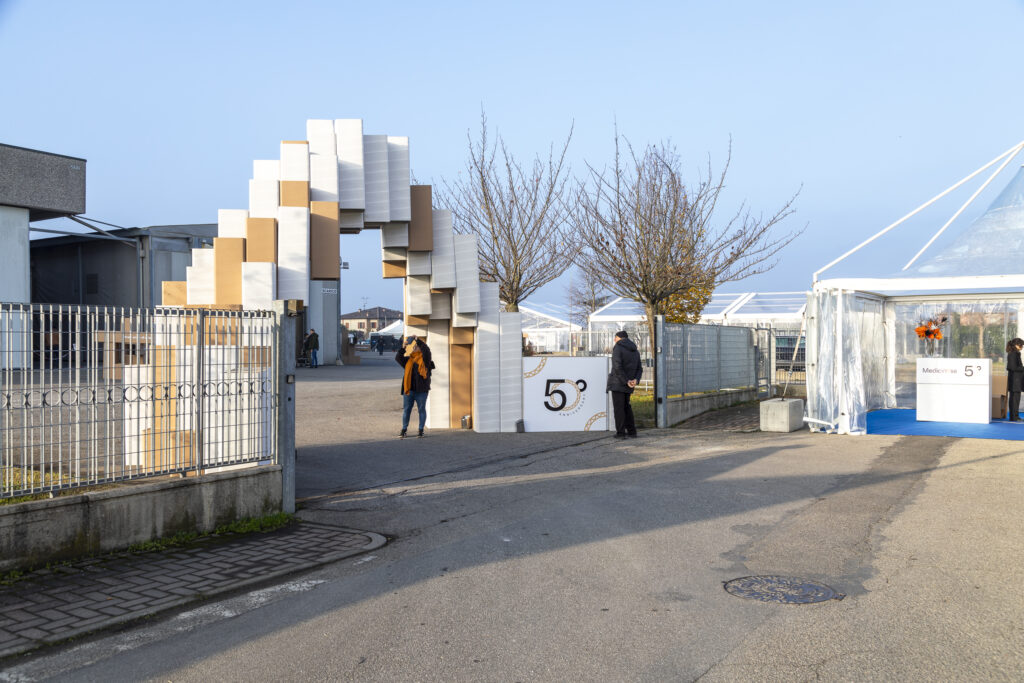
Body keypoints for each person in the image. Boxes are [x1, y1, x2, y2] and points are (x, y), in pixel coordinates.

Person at [607, 330, 643, 438]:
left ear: (620, 338)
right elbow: (639, 368)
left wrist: (626, 381)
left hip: (618, 383)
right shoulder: (635, 350)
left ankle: (621, 433)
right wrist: (635, 380)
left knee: (619, 409)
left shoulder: (618, 347)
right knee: (627, 407)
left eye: (615, 337)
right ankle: (632, 432)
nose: (614, 340)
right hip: (629, 383)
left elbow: (617, 367)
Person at [396, 335, 433, 438]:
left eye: (416, 346)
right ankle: (404, 430)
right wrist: (403, 347)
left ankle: (421, 430)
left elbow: (427, 350)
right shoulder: (409, 360)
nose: (414, 347)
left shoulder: (425, 360)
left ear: (421, 349)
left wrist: (418, 340)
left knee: (421, 410)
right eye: (414, 346)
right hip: (409, 390)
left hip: (421, 390)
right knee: (406, 410)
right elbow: (398, 358)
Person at [1006, 338, 1024, 422]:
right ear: (1016, 345)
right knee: (1014, 399)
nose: (1022, 347)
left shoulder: (1016, 353)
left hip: (1017, 380)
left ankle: (1015, 416)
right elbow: (1012, 367)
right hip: (1014, 380)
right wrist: (1023, 368)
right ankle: (1013, 417)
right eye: (1021, 345)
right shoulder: (1013, 354)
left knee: (1016, 399)